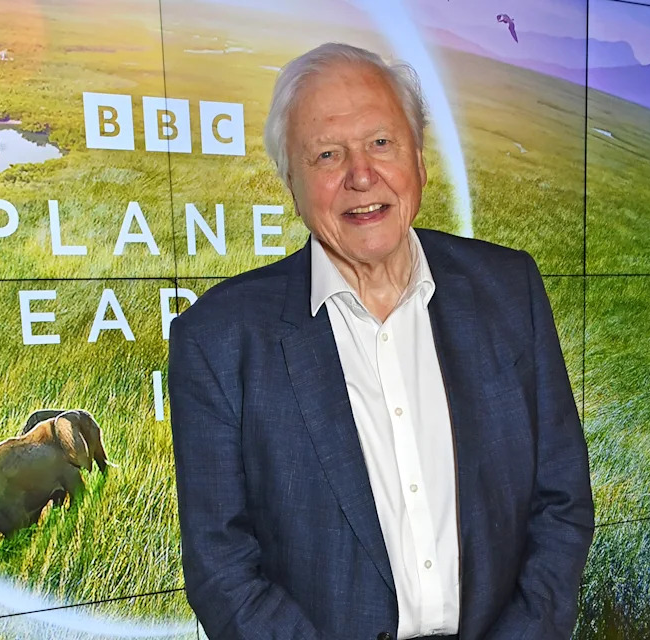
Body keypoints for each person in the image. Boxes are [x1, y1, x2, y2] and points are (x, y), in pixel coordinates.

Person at [168, 42, 594, 640]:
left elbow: (563, 503)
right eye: (326, 154)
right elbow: (221, 568)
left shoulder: (509, 289)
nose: (361, 175)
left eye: (381, 143)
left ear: (419, 158)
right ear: (291, 181)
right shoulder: (217, 340)